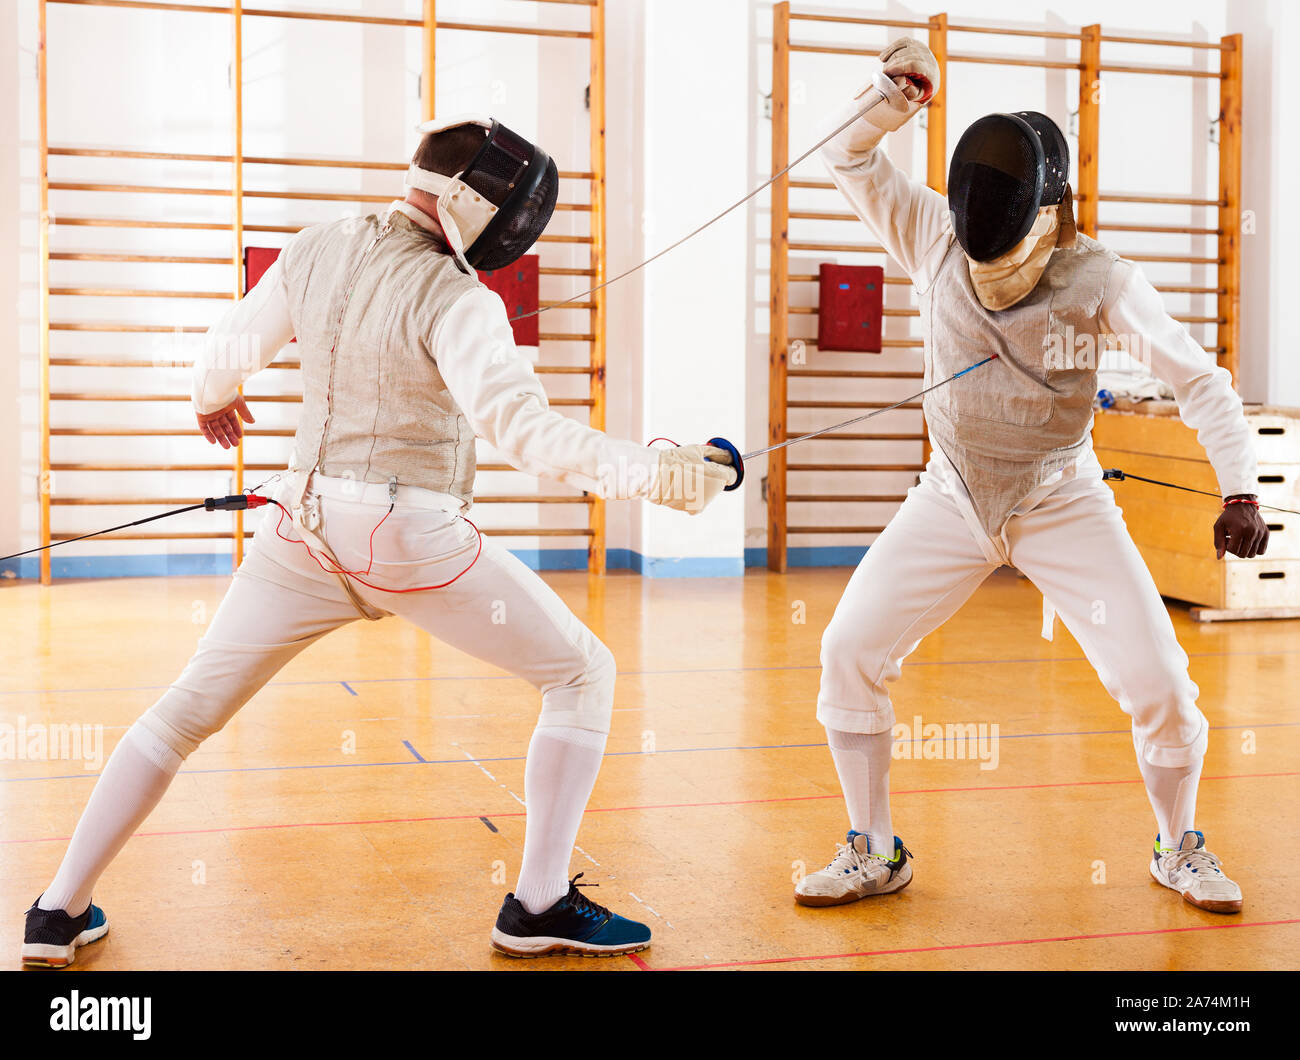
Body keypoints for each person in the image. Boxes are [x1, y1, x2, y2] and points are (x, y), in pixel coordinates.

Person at [22, 115, 735, 967]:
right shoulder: (459, 298)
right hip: (408, 540)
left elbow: (225, 350)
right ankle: (537, 902)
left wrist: (210, 394)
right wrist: (667, 471)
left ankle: (57, 910)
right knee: (583, 671)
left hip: (300, 532)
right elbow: (526, 434)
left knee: (183, 714)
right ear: (474, 204)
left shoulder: (318, 244)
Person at [794, 40, 1264, 915]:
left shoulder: (1102, 280)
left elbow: (1200, 379)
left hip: (1059, 497)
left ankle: (1178, 845)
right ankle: (873, 846)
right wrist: (888, 97)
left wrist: (1239, 486)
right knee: (848, 651)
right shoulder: (934, 232)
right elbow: (845, 154)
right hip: (952, 493)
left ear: (1050, 215)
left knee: (1160, 683)